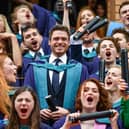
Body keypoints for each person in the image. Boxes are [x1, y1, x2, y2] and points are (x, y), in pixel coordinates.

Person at [24, 25, 89, 124]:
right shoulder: (34, 68)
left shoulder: (80, 69)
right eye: (56, 39)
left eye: (64, 39)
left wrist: (69, 113)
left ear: (68, 43)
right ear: (49, 42)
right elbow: (27, 96)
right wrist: (37, 112)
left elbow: (86, 100)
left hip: (70, 125)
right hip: (40, 124)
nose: (59, 42)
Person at [53, 78, 119, 129]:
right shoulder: (63, 122)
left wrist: (114, 124)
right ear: (79, 96)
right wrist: (66, 126)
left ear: (99, 98)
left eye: (95, 91)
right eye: (85, 90)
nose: (90, 93)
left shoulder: (108, 123)